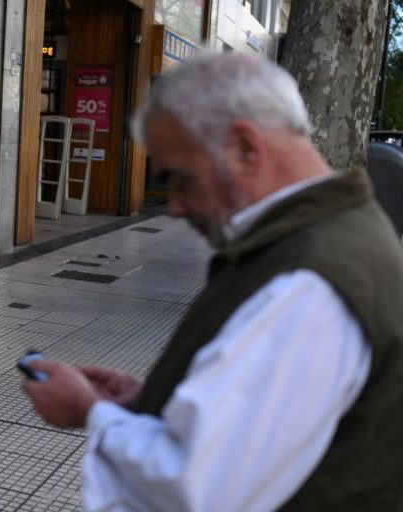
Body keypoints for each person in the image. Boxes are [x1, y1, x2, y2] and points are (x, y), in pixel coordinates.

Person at [22, 54, 403, 511]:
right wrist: (156, 399)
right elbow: (267, 425)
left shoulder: (310, 279)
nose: (175, 207)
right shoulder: (322, 242)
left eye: (182, 180)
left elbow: (197, 488)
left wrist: (90, 411)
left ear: (245, 147)